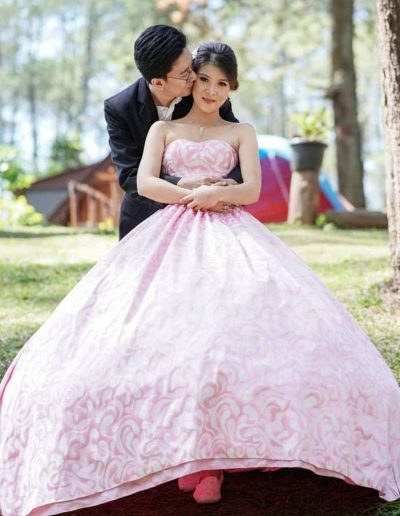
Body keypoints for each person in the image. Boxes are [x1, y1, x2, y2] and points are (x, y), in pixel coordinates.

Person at [0, 41, 400, 516]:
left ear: (233, 87)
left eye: (222, 83)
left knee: (228, 336)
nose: (211, 90)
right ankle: (184, 454)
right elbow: (145, 181)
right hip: (168, 230)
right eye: (204, 79)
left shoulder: (241, 131)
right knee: (167, 333)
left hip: (230, 231)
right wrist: (190, 191)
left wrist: (218, 195)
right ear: (191, 80)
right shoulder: (163, 129)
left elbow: (251, 188)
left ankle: (225, 450)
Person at [104, 24, 242, 240]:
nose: (194, 77)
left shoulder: (202, 94)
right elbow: (130, 175)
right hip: (144, 217)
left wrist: (227, 186)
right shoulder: (120, 108)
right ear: (159, 82)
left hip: (208, 222)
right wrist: (181, 184)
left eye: (191, 65)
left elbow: (232, 143)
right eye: (185, 74)